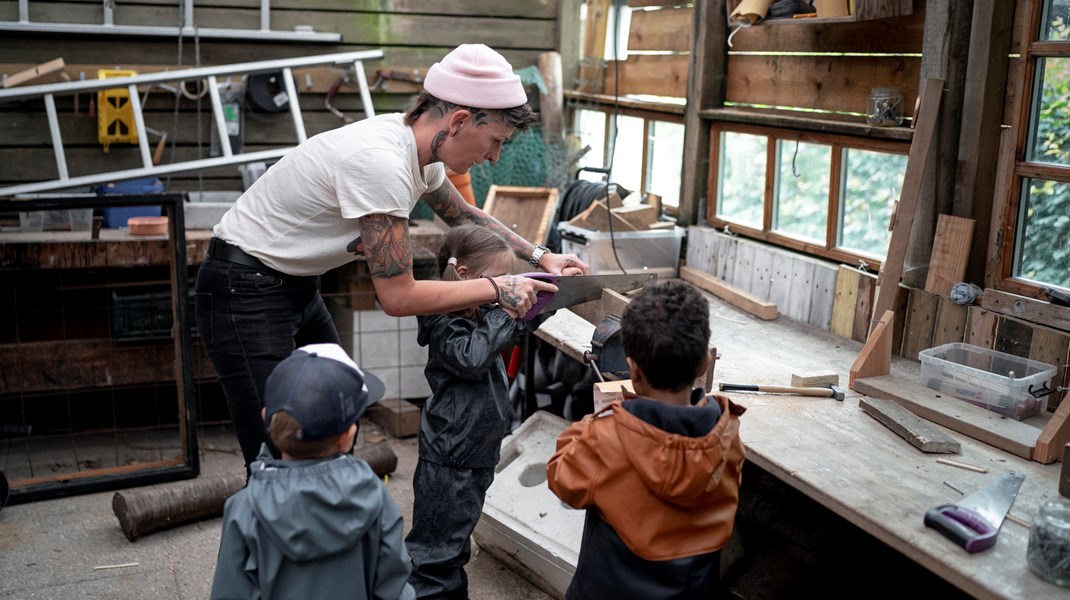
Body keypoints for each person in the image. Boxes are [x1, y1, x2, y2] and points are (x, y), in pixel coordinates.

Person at [194, 43, 589, 468]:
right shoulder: (381, 163)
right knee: (278, 449)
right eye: (494, 141)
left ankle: (324, 521)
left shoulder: (421, 154)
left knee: (340, 410)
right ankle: (274, 525)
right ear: (458, 122)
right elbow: (397, 298)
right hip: (243, 290)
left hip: (293, 284)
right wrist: (496, 287)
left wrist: (539, 256)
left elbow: (464, 215)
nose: (493, 156)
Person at [405, 225, 578, 599]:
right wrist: (505, 313)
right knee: (435, 555)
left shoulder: (479, 311)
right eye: (499, 280)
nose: (505, 288)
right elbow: (470, 358)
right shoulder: (444, 319)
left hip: (473, 452)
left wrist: (554, 289)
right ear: (465, 276)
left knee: (453, 543)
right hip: (450, 456)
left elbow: (514, 325)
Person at [546, 280, 747, 600]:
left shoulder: (603, 438)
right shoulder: (727, 434)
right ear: (705, 364)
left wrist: (593, 422)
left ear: (633, 371)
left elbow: (562, 479)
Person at [210, 342, 415, 600]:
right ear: (348, 435)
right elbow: (394, 590)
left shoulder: (244, 509)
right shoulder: (373, 495)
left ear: (265, 418)